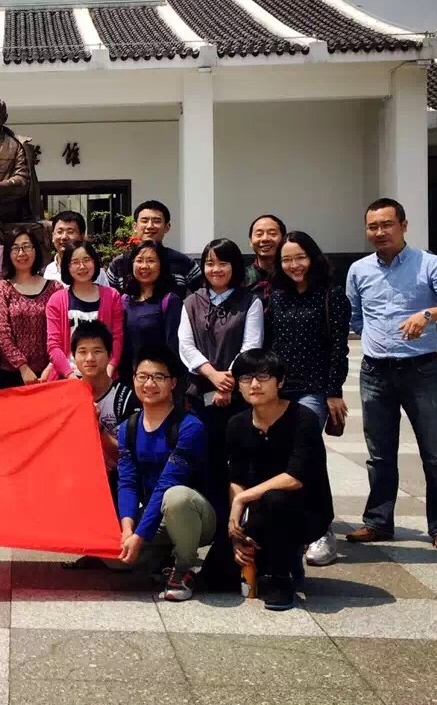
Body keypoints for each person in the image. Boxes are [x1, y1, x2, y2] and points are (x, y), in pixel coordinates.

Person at [346, 198, 437, 553]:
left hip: (421, 370)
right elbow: (354, 316)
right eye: (373, 226)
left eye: (387, 224)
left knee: (435, 453)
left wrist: (427, 314)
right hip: (375, 372)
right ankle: (378, 522)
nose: (379, 232)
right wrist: (375, 339)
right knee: (379, 453)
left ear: (403, 225)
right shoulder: (358, 270)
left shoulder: (428, 263)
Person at [178, 237, 263, 589]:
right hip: (201, 395)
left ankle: (241, 531)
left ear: (235, 267)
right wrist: (212, 376)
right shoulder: (191, 301)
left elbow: (251, 346)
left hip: (239, 398)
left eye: (223, 263)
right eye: (210, 263)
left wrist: (228, 383)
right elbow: (185, 345)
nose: (216, 269)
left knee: (239, 466)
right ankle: (214, 531)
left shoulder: (250, 302)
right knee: (208, 464)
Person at [265, 230, 350, 567]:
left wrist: (333, 391)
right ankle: (288, 522)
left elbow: (339, 347)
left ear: (313, 257)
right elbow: (271, 344)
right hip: (279, 389)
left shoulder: (331, 294)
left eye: (300, 257)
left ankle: (321, 529)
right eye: (287, 259)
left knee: (307, 454)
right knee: (280, 456)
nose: (294, 265)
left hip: (313, 390)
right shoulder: (278, 296)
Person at [228, 349, 334, 611]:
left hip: (306, 511)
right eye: (246, 378)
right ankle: (275, 559)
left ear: (280, 381)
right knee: (219, 576)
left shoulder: (303, 419)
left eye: (263, 377)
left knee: (276, 498)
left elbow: (295, 478)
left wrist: (243, 499)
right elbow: (236, 478)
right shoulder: (237, 424)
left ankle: (281, 578)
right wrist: (237, 527)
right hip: (258, 511)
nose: (254, 384)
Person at [116, 345, 213, 603]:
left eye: (158, 377)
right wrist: (128, 530)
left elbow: (168, 483)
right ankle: (162, 558)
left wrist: (140, 536)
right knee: (112, 557)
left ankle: (183, 569)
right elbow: (127, 482)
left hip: (195, 515)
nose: (149, 384)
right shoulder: (128, 428)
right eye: (142, 376)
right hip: (156, 515)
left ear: (173, 383)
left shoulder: (190, 427)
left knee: (175, 496)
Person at [0, 225, 62, 389]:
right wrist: (22, 367)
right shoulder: (1, 289)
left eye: (27, 247)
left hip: (49, 373)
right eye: (15, 248)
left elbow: (61, 330)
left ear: (36, 250)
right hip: (11, 375)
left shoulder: (55, 288)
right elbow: (0, 333)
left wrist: (52, 365)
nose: (21, 253)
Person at [46, 239, 123, 380]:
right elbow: (53, 345)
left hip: (104, 375)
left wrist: (107, 373)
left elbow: (117, 338)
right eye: (75, 262)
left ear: (94, 262)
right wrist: (71, 377)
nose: (82, 266)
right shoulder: (56, 300)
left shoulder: (112, 296)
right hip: (68, 377)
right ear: (67, 266)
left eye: (86, 260)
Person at [75, 320, 135, 483]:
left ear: (109, 355)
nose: (89, 358)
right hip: (79, 480)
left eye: (97, 351)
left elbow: (128, 456)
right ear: (74, 356)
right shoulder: (67, 398)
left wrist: (97, 427)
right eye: (82, 352)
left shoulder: (127, 397)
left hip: (118, 481)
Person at [105, 201, 202, 297]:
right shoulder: (119, 264)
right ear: (135, 226)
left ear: (167, 227)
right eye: (144, 221)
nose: (150, 226)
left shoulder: (184, 262)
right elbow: (108, 299)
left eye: (157, 221)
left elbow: (204, 296)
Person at [120, 239, 182, 386]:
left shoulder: (170, 300)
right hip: (128, 378)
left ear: (161, 265)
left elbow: (173, 346)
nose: (144, 266)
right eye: (139, 260)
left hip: (156, 380)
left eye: (151, 261)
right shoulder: (124, 300)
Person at [43, 210, 107, 285]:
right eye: (59, 232)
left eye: (70, 232)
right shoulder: (48, 272)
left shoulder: (94, 272)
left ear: (82, 236)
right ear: (53, 236)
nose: (64, 237)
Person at [245, 214, 287, 304]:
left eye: (272, 234)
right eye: (259, 234)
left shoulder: (292, 275)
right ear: (250, 241)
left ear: (283, 239)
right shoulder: (241, 279)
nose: (265, 239)